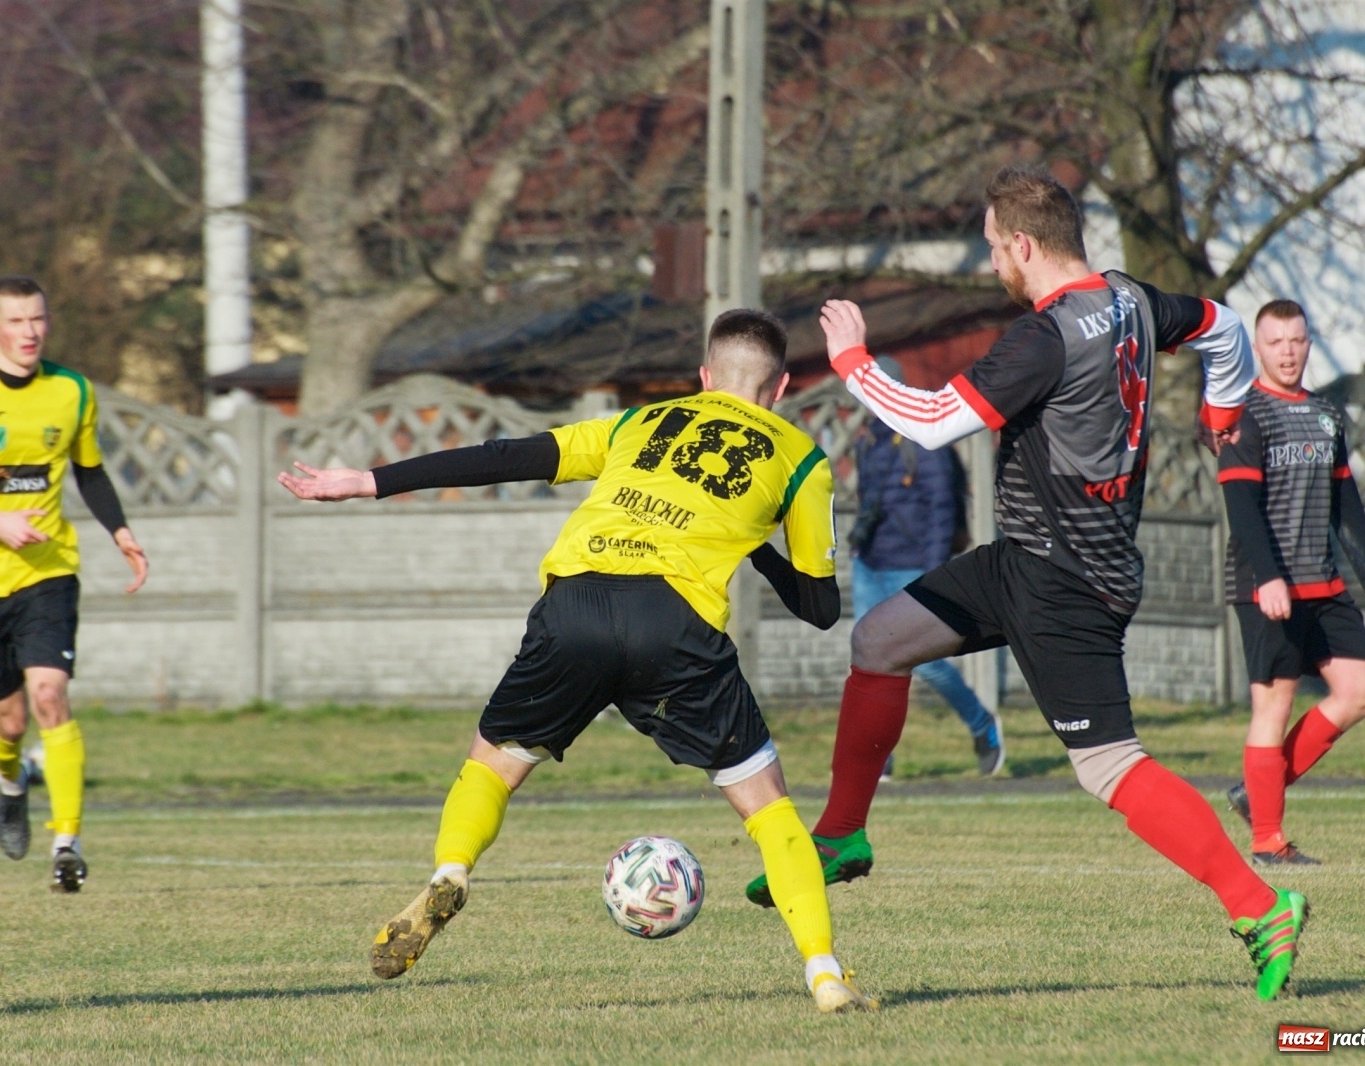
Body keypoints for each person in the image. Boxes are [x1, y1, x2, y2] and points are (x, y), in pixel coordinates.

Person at [748, 164, 1309, 1003]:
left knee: (1109, 767)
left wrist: (852, 359)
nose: (990, 266)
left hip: (1068, 581)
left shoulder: (1047, 337)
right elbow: (1226, 327)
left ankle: (1261, 904)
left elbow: (933, 424)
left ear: (1022, 244)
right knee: (879, 642)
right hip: (1025, 557)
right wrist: (1223, 417)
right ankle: (842, 836)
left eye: (990, 249)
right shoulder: (1130, 299)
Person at [279, 309, 877, 1013]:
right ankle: (825, 973)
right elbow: (817, 606)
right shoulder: (801, 457)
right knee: (767, 807)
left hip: (577, 603)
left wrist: (370, 481)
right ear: (778, 390)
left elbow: (509, 456)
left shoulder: (640, 423)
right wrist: (753, 543)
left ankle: (451, 870)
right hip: (674, 623)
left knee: (492, 763)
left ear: (704, 378)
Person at [0, 276, 149, 893]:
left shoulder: (72, 391)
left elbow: (89, 472)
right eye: (16, 321)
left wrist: (120, 532)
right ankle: (11, 786)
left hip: (47, 571)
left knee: (49, 697)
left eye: (37, 319)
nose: (30, 332)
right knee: (10, 723)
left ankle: (66, 843)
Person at [1217, 299, 1365, 864]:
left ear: (1308, 343)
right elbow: (1241, 506)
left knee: (1359, 691)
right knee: (1274, 703)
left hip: (1322, 583)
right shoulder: (1245, 415)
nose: (1288, 352)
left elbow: (1344, 501)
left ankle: (1258, 793)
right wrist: (1269, 578)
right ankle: (1268, 842)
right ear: (1258, 348)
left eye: (1297, 341)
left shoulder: (1325, 414)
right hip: (1265, 585)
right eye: (1276, 342)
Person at [848, 359, 1003, 779]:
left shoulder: (923, 440)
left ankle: (982, 725)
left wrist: (935, 575)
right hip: (870, 564)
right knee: (868, 661)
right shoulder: (868, 440)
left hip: (913, 567)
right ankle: (880, 756)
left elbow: (941, 508)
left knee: (927, 663)